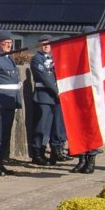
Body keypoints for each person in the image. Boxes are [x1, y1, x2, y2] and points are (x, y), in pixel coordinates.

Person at [30, 37, 69, 166]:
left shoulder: (53, 59)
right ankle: (37, 152)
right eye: (43, 44)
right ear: (39, 46)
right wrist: (57, 91)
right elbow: (44, 78)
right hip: (44, 96)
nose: (46, 47)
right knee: (42, 126)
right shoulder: (37, 59)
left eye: (48, 44)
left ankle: (56, 150)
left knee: (56, 125)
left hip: (54, 97)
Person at [0, 32, 21, 175]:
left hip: (10, 102)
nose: (9, 45)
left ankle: (1, 162)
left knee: (5, 134)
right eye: (5, 42)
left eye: (10, 42)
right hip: (1, 101)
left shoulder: (8, 58)